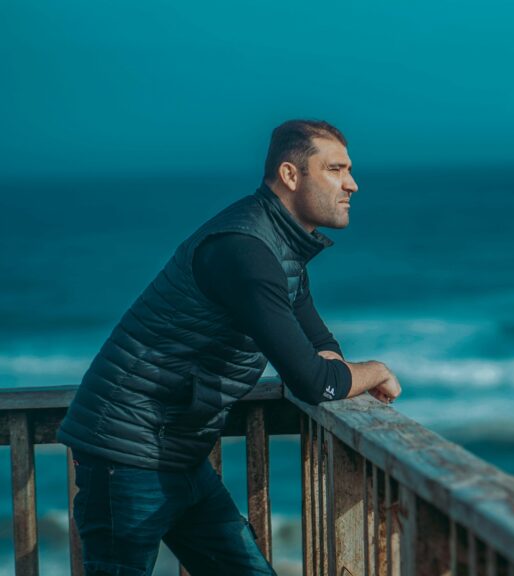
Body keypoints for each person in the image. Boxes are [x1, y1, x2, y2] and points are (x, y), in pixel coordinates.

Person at [57, 119, 401, 575]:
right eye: (336, 169)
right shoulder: (246, 250)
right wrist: (375, 370)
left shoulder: (281, 249)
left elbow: (320, 345)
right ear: (290, 175)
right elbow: (313, 380)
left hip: (178, 456)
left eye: (349, 170)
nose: (352, 184)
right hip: (126, 456)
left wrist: (332, 367)